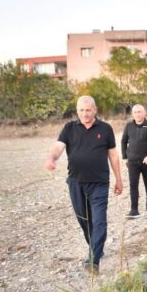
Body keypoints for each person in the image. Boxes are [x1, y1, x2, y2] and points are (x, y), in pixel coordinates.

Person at [44, 95, 123, 275]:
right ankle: (96, 247)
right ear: (77, 110)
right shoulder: (69, 128)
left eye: (88, 110)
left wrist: (119, 179)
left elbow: (113, 156)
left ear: (94, 110)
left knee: (99, 220)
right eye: (81, 110)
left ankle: (94, 260)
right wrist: (51, 158)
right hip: (76, 182)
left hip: (99, 183)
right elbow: (58, 147)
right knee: (84, 220)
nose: (85, 114)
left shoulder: (105, 129)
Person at [121, 104, 147, 218]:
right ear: (133, 114)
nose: (137, 114)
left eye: (140, 111)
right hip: (132, 161)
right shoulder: (129, 126)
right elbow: (123, 142)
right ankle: (134, 210)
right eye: (135, 112)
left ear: (144, 113)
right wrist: (124, 157)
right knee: (133, 185)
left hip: (146, 161)